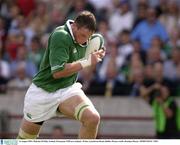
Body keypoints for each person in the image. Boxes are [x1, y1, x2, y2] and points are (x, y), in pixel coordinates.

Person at [16, 11, 105, 139]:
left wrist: (95, 59)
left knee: (92, 118)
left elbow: (85, 69)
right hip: (42, 92)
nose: (85, 40)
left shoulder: (87, 40)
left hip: (67, 89)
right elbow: (58, 72)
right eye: (82, 35)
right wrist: (87, 61)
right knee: (24, 140)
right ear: (74, 26)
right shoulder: (61, 35)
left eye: (88, 37)